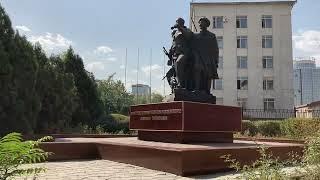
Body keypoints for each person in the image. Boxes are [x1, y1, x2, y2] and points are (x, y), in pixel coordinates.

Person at [192, 17, 219, 94]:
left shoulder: (211, 36)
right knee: (197, 71)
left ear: (206, 24)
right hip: (198, 57)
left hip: (209, 58)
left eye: (202, 22)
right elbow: (192, 47)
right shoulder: (195, 35)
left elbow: (215, 49)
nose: (200, 24)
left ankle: (207, 91)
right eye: (199, 23)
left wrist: (216, 61)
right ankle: (197, 89)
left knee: (208, 74)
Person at [169, 17, 193, 88]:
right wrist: (170, 56)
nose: (176, 23)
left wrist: (180, 28)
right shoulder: (175, 32)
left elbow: (189, 36)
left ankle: (181, 84)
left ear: (182, 23)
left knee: (179, 63)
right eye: (176, 22)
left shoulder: (187, 30)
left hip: (184, 52)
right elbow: (174, 44)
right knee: (172, 71)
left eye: (178, 22)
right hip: (176, 53)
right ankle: (175, 84)